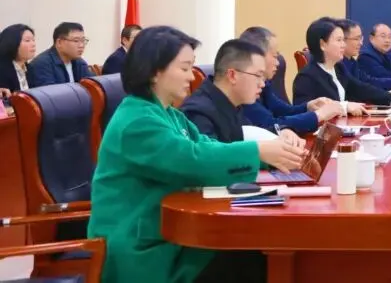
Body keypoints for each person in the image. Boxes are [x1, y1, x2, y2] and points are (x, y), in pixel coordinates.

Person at [88, 25, 305, 283]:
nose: (192, 77)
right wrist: (258, 151)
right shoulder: (138, 122)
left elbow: (207, 145)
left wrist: (269, 157)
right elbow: (191, 159)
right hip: (143, 247)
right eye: (184, 68)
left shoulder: (168, 113)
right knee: (254, 259)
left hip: (168, 232)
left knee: (256, 253)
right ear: (155, 71)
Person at [181, 39, 304, 146]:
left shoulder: (232, 102)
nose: (262, 84)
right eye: (258, 76)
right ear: (232, 75)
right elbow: (214, 159)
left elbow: (250, 132)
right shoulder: (198, 113)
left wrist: (282, 131)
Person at [237, 26, 342, 135]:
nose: (278, 63)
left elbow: (282, 111)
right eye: (275, 56)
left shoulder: (263, 83)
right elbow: (271, 125)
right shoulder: (244, 88)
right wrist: (318, 115)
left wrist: (308, 107)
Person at [292, 19, 391, 112]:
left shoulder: (338, 68)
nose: (343, 45)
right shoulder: (306, 77)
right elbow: (303, 113)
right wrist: (344, 106)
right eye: (339, 40)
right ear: (322, 44)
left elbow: (362, 88)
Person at [27, 22, 94, 86]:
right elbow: (50, 92)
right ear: (59, 42)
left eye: (83, 40)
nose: (81, 45)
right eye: (76, 41)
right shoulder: (41, 64)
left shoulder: (79, 62)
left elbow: (93, 85)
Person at [0, 24, 36, 97]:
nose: (33, 44)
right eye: (27, 40)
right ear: (11, 43)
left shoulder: (31, 68)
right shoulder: (2, 70)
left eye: (33, 40)